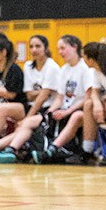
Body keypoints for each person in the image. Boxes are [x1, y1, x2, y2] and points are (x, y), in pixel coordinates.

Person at [0, 35, 60, 163]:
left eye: (38, 46)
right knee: (4, 108)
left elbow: (41, 99)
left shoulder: (52, 67)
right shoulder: (28, 66)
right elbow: (29, 95)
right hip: (29, 106)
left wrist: (27, 117)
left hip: (46, 109)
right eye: (31, 46)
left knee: (24, 126)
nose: (34, 50)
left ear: (45, 48)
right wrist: (44, 91)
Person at [28, 35, 93, 164]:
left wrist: (67, 111)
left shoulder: (85, 68)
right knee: (38, 120)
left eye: (63, 48)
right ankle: (15, 149)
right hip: (65, 110)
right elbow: (60, 97)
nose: (60, 52)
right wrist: (49, 112)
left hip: (81, 110)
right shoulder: (64, 69)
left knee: (74, 117)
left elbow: (88, 97)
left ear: (74, 47)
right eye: (58, 49)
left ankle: (53, 150)